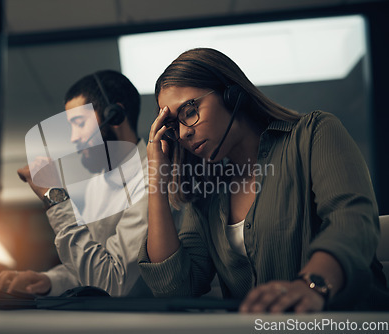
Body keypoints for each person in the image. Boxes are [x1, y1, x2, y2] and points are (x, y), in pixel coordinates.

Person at [139, 47, 388, 312]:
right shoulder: (206, 192)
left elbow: (351, 220)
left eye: (189, 111)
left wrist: (310, 286)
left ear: (231, 94)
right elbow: (176, 287)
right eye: (174, 126)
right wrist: (156, 179)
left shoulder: (313, 134)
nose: (185, 133)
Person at [0, 70, 151, 297]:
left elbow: (113, 284)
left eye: (79, 123)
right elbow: (92, 267)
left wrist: (54, 196)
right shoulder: (96, 186)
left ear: (115, 115)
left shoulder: (153, 181)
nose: (73, 137)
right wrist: (48, 280)